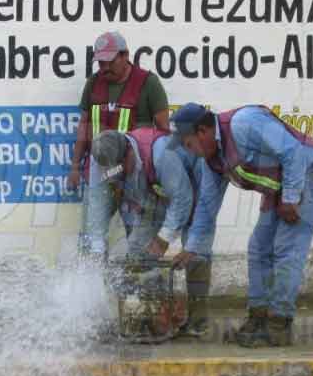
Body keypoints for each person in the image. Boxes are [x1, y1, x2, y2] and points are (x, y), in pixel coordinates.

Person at [172, 103, 313, 347]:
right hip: (279, 188)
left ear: (202, 132)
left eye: (188, 144)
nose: (190, 152)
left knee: (286, 248)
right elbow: (206, 208)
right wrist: (191, 248)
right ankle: (258, 319)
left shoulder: (244, 123)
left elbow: (294, 153)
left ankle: (279, 324)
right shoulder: (211, 161)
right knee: (258, 248)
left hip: (309, 175)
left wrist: (291, 198)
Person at [89, 125, 226, 337]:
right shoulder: (100, 159)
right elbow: (97, 204)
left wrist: (163, 238)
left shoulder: (161, 153)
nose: (119, 175)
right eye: (113, 172)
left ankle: (198, 320)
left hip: (196, 182)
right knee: (138, 251)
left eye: (121, 169)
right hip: (156, 190)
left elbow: (182, 199)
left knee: (196, 248)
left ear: (129, 152)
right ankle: (152, 315)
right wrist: (97, 249)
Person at [69, 31, 171, 258]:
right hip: (100, 170)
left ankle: (143, 277)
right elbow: (84, 125)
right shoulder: (93, 83)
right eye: (100, 63)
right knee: (91, 238)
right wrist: (75, 166)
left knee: (139, 239)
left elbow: (164, 132)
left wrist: (160, 177)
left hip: (135, 173)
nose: (104, 68)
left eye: (109, 61)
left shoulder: (148, 83)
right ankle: (95, 277)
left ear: (125, 55)